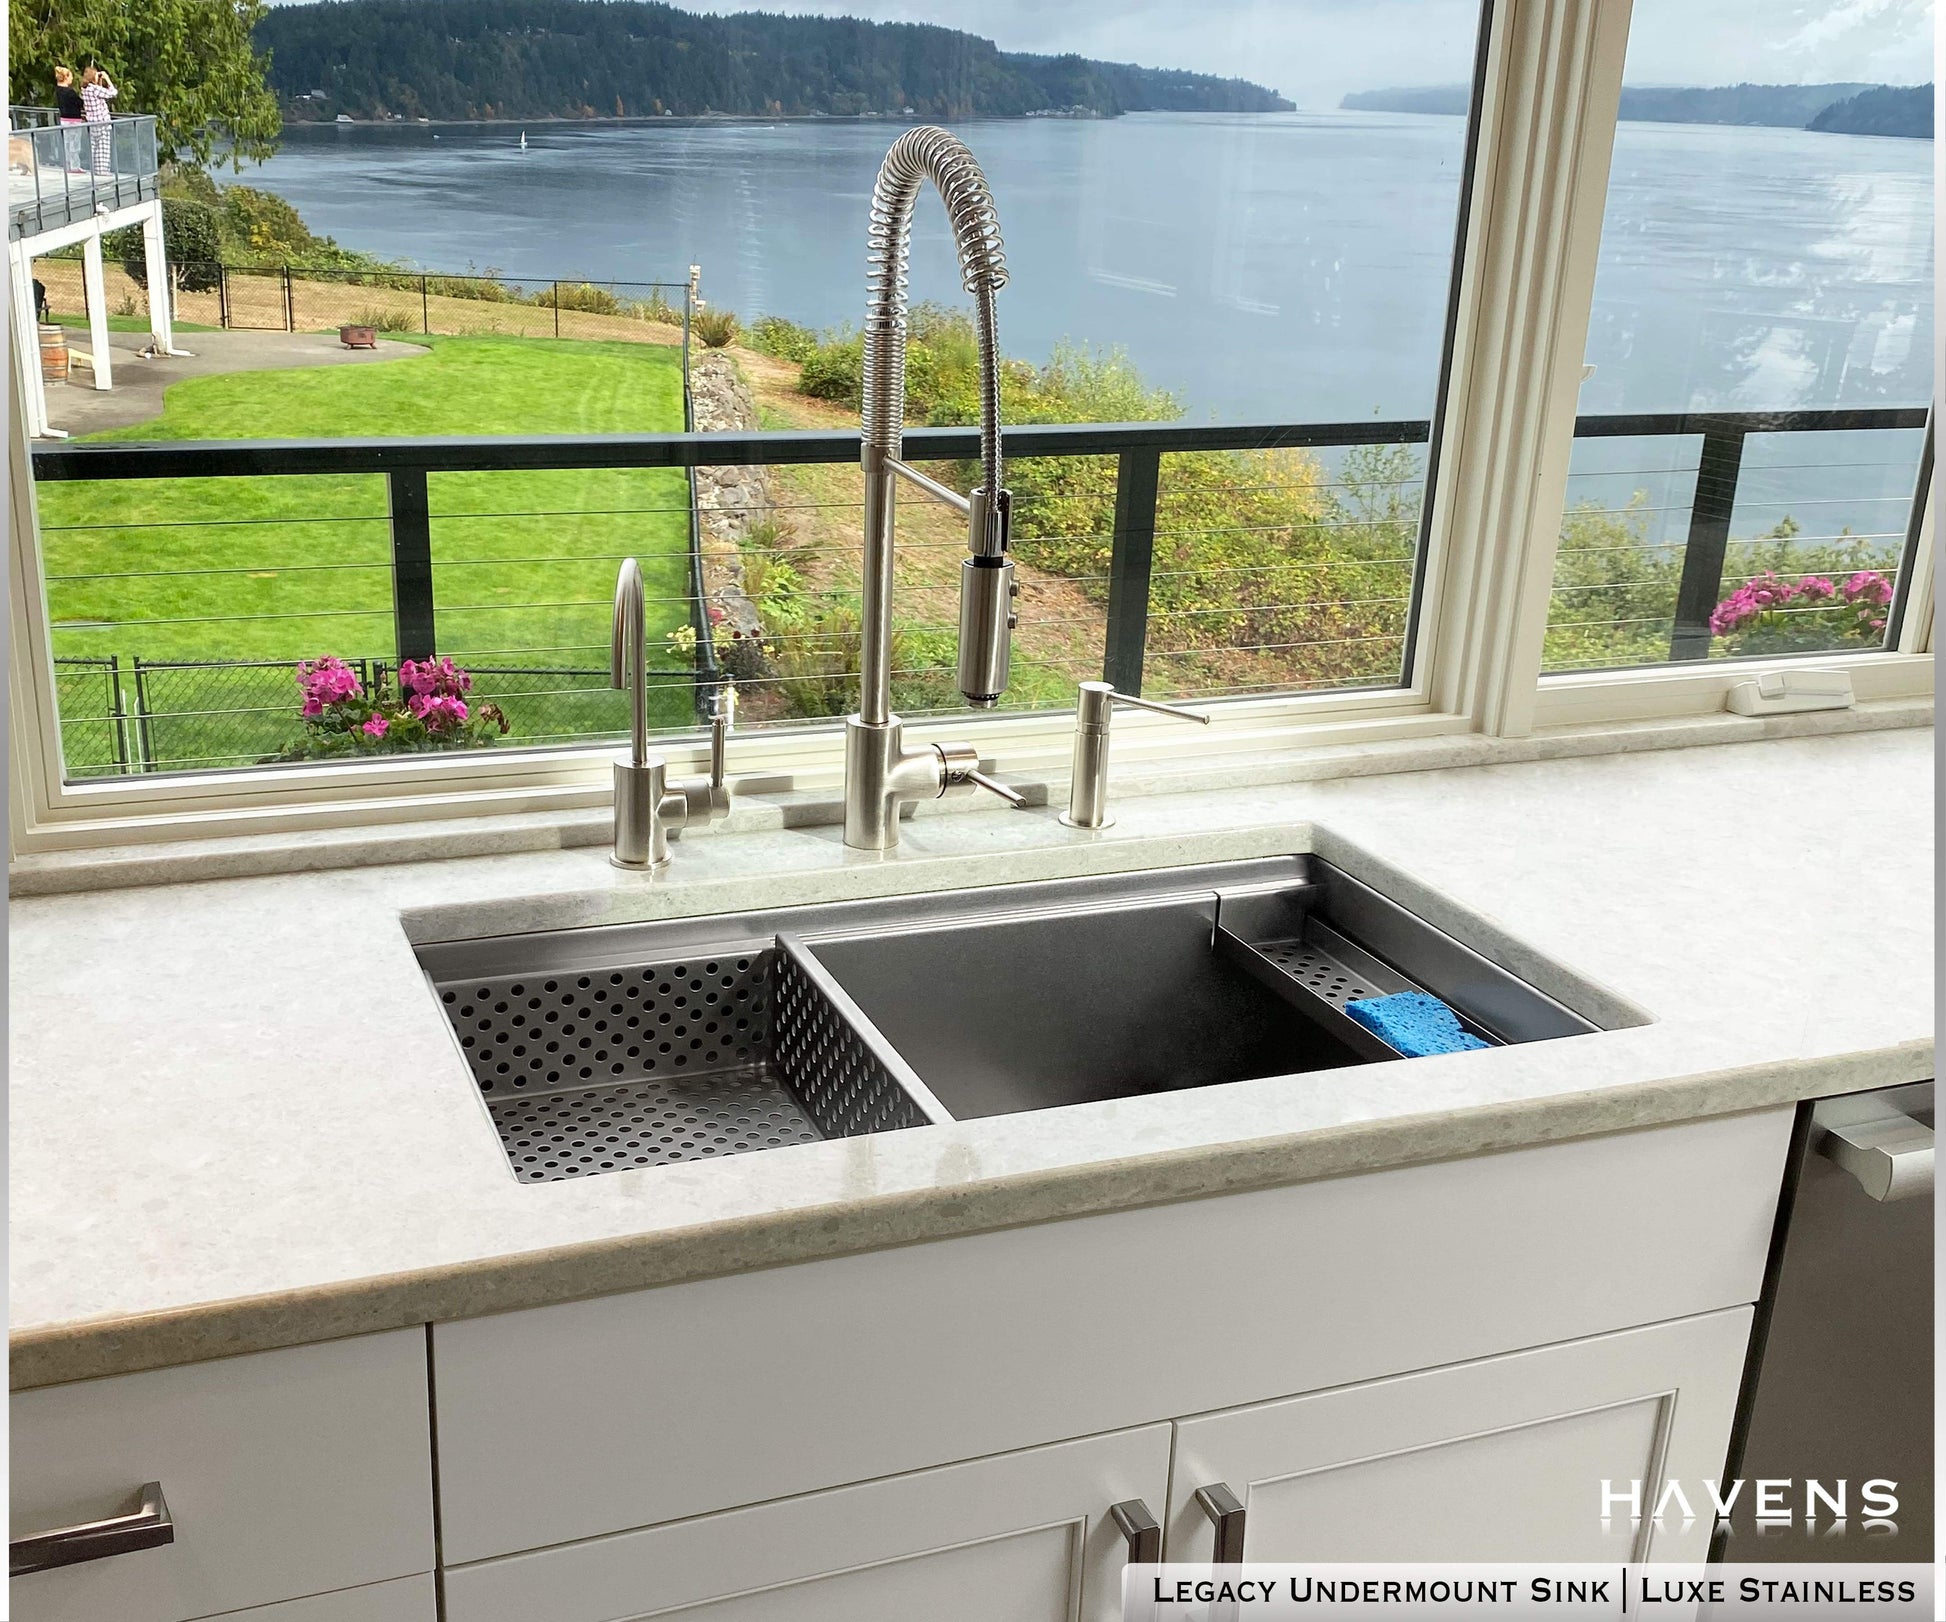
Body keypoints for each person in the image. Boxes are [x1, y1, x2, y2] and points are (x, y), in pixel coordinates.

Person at [80, 64, 116, 176]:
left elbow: (100, 94)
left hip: (92, 122)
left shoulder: (85, 89)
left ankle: (95, 170)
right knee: (103, 147)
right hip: (102, 122)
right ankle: (102, 171)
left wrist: (99, 80)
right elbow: (113, 93)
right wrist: (107, 79)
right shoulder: (94, 89)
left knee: (94, 147)